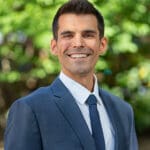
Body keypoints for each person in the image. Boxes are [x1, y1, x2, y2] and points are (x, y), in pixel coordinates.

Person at [4, 0, 138, 150]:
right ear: (54, 47)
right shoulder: (30, 109)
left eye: (88, 34)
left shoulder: (123, 111)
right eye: (68, 35)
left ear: (102, 44)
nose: (78, 43)